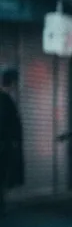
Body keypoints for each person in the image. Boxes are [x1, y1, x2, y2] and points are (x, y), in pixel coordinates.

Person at [0, 68, 25, 215]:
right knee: (3, 177)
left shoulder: (5, 99)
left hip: (5, 146)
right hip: (4, 147)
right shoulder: (4, 100)